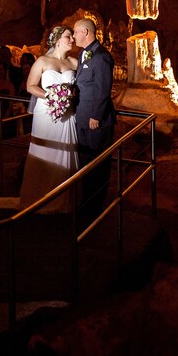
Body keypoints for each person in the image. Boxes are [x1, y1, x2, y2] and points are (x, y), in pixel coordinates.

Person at [18, 26, 79, 214]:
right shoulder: (43, 61)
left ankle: (63, 200)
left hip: (67, 115)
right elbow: (30, 86)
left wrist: (69, 96)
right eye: (68, 37)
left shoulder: (74, 63)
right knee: (45, 151)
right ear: (58, 39)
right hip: (46, 114)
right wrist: (51, 96)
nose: (72, 40)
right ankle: (38, 197)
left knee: (65, 151)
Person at [72, 17, 116, 218]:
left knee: (97, 163)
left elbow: (103, 89)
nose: (73, 36)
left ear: (86, 32)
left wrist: (96, 115)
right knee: (85, 161)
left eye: (75, 32)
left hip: (94, 119)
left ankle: (94, 208)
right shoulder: (84, 54)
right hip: (82, 116)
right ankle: (86, 202)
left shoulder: (101, 56)